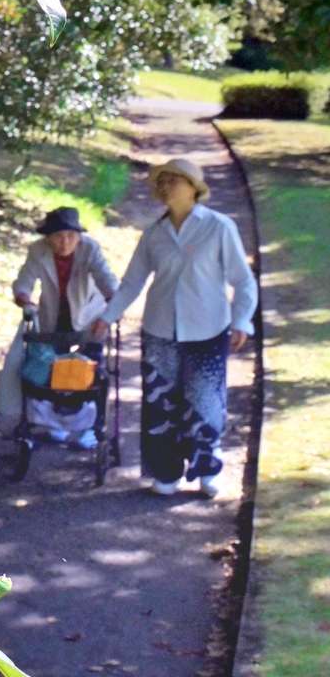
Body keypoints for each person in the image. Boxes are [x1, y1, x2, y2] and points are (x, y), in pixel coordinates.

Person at [85, 157, 257, 500]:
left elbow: (243, 280)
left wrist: (241, 321)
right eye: (162, 183)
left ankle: (207, 469)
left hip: (209, 329)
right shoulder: (154, 233)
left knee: (205, 402)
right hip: (160, 329)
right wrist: (109, 315)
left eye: (174, 181)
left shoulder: (219, 227)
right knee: (161, 403)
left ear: (194, 188)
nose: (166, 188)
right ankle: (166, 472)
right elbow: (133, 281)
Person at [0, 205, 117, 445]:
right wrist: (24, 299)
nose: (65, 242)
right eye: (58, 236)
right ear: (48, 237)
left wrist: (112, 308)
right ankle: (55, 422)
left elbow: (106, 279)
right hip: (53, 315)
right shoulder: (38, 250)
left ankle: (89, 427)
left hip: (89, 316)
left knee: (88, 373)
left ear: (79, 236)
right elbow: (24, 282)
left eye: (71, 236)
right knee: (54, 373)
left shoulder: (89, 249)